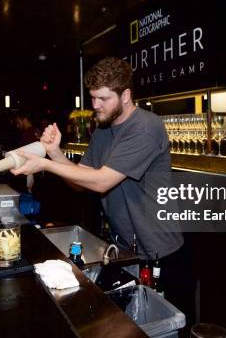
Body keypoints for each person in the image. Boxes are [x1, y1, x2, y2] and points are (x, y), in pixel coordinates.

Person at [11, 58, 192, 319]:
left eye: (103, 99)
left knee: (163, 325)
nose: (95, 105)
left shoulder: (146, 127)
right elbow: (80, 183)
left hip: (159, 251)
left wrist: (44, 165)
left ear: (126, 95)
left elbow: (102, 181)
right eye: (93, 98)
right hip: (124, 248)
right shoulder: (103, 130)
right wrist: (55, 154)